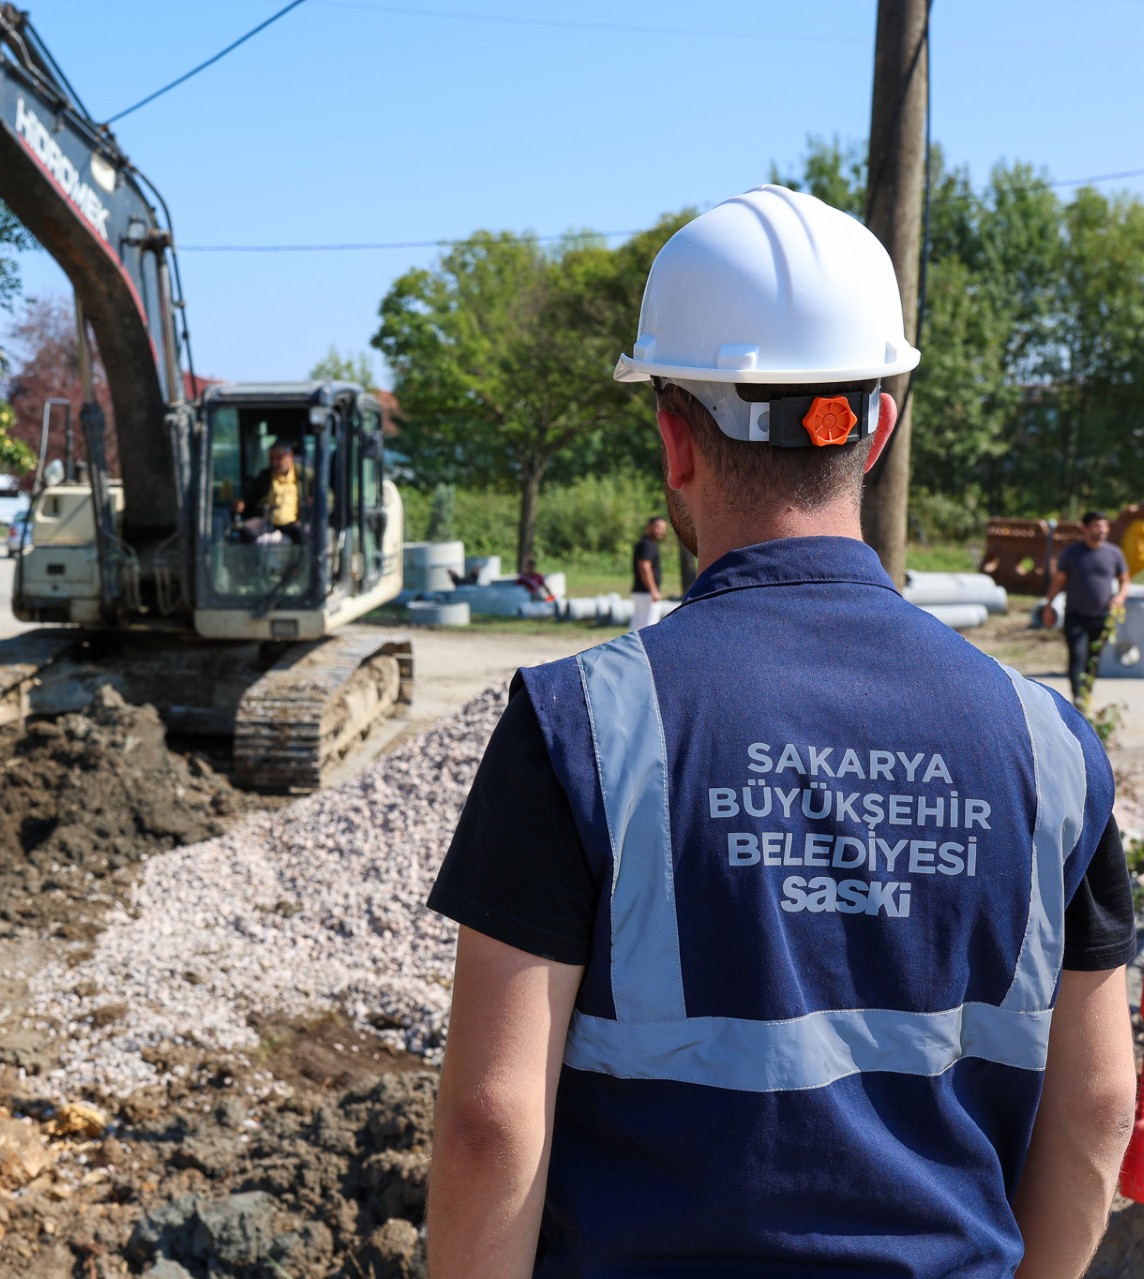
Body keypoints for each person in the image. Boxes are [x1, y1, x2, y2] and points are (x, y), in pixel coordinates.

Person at [427, 186, 1134, 1278]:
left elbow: (489, 1123)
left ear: (673, 437)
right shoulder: (1052, 746)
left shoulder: (580, 726)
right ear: (879, 427)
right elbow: (1095, 1111)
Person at [1046, 511, 1131, 711]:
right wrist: (1048, 605)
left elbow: (1124, 579)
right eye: (1096, 526)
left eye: (1104, 526)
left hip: (1102, 617)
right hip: (1075, 615)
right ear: (1084, 528)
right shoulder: (1072, 553)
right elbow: (1058, 581)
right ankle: (1078, 697)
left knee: (1093, 660)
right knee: (1077, 655)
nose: (1102, 530)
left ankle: (1086, 694)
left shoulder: (1114, 553)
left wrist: (1119, 597)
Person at [234, 442, 303, 544]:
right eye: (271, 459)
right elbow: (249, 495)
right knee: (248, 529)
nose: (274, 463)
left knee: (306, 531)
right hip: (268, 521)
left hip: (293, 522)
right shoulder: (265, 476)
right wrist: (241, 502)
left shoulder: (304, 476)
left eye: (279, 458)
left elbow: (326, 496)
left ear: (290, 457)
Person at [630, 516, 666, 629]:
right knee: (649, 628)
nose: (661, 531)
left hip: (641, 593)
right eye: (658, 527)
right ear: (649, 527)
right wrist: (653, 590)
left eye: (663, 529)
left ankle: (631, 647)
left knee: (637, 628)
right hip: (646, 594)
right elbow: (644, 568)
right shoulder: (646, 545)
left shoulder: (646, 544)